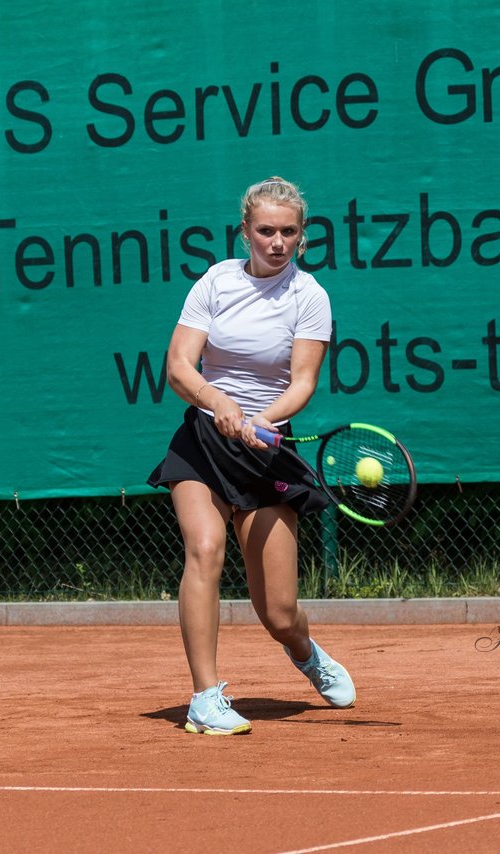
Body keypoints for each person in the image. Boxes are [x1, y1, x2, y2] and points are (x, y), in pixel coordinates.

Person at [147, 176, 355, 735]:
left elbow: (303, 382)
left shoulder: (309, 297)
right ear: (246, 231)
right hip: (204, 443)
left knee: (278, 612)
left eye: (289, 232)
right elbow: (178, 366)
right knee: (205, 549)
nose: (277, 242)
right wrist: (217, 400)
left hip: (264, 450)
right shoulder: (214, 282)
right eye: (266, 231)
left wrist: (261, 420)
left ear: (302, 237)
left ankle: (306, 653)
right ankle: (205, 698)